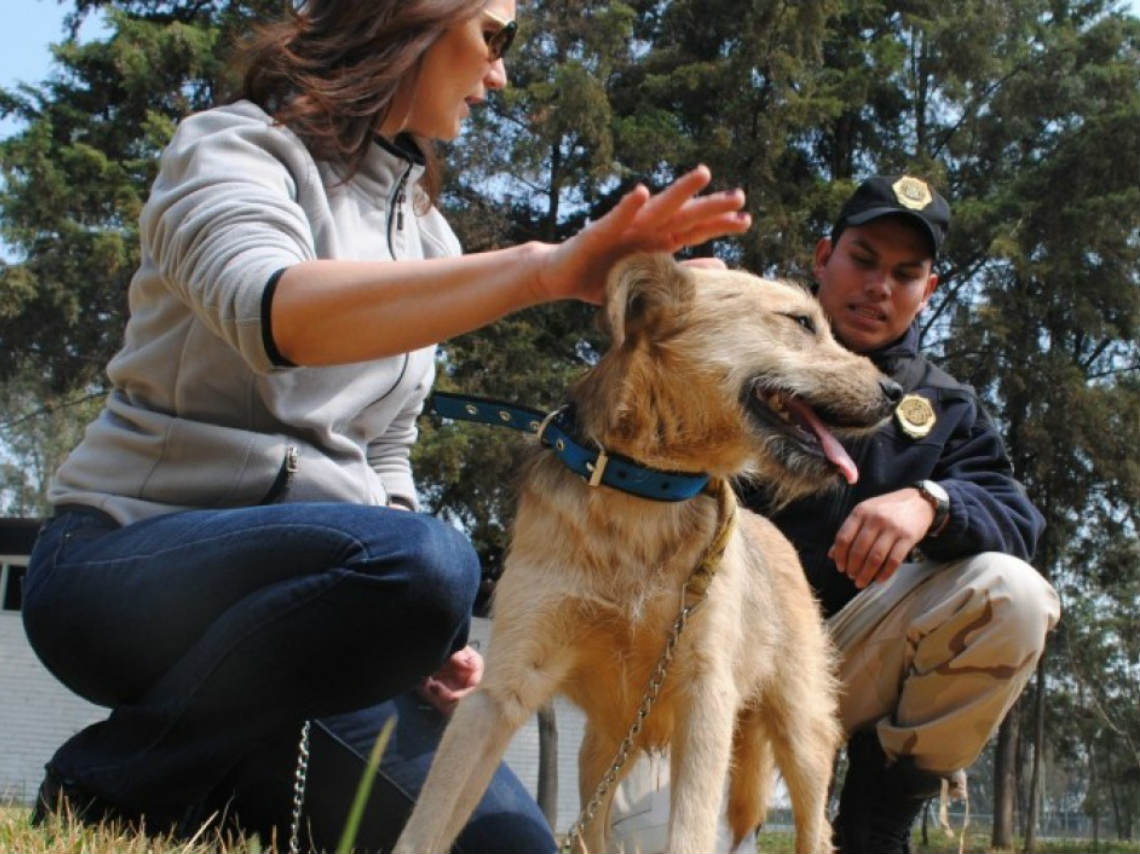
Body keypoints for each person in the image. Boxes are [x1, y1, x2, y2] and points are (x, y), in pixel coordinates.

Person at [19, 1, 750, 851]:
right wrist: (542, 270)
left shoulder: (428, 239)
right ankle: (112, 785)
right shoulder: (227, 148)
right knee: (427, 562)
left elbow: (385, 446)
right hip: (121, 567)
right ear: (407, 19)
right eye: (494, 35)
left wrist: (419, 638)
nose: (501, 74)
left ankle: (235, 781)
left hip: (302, 643)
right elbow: (274, 315)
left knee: (509, 845)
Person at [736, 174, 1062, 853]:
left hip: (845, 657)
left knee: (1012, 595)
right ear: (824, 256)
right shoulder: (741, 356)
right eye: (864, 258)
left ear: (929, 291)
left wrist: (932, 503)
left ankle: (876, 818)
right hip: (718, 658)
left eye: (905, 273)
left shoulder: (946, 406)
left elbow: (1017, 518)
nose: (880, 285)